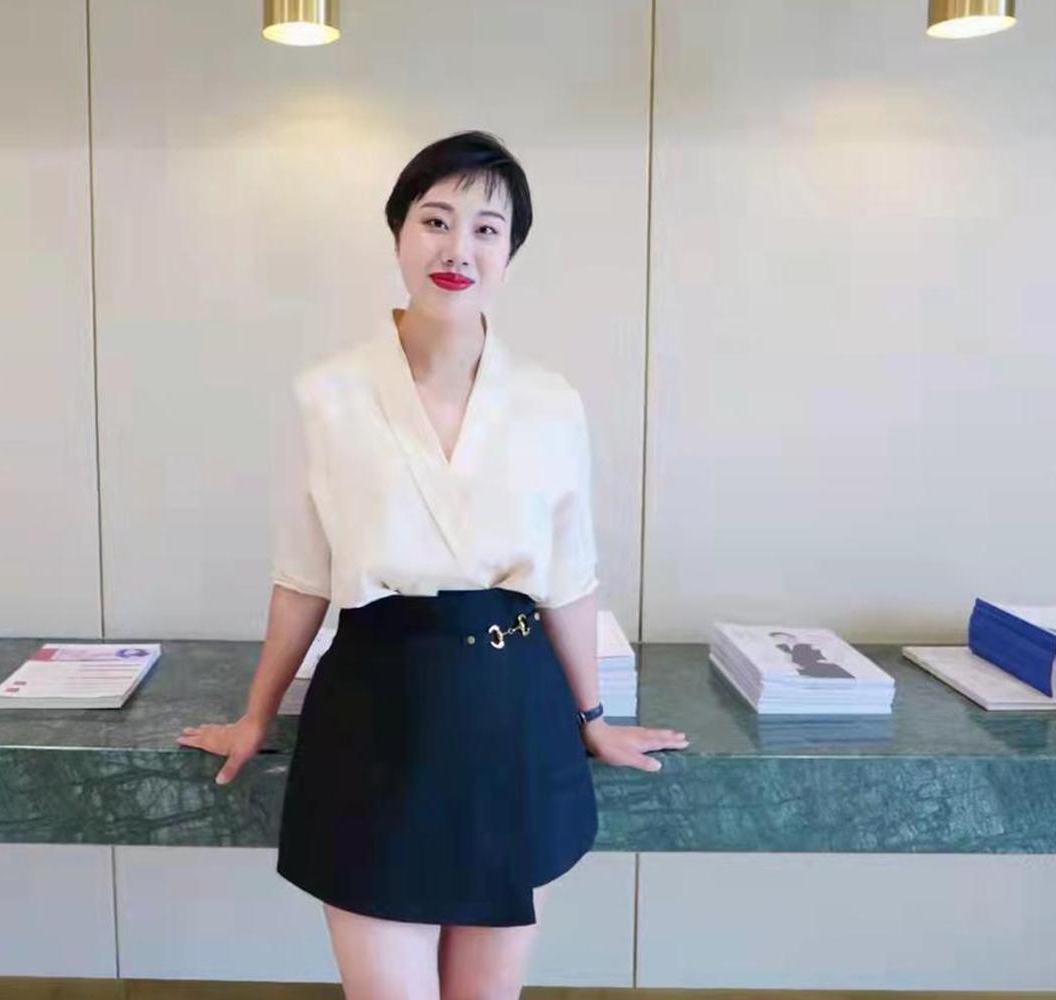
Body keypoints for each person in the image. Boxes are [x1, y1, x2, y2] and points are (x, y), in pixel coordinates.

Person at [177, 130, 689, 999]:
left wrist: (594, 718)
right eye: (436, 221)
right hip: (376, 715)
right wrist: (255, 716)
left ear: (510, 254)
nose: (459, 249)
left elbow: (569, 581)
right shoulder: (328, 394)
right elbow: (302, 578)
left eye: (487, 229)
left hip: (512, 716)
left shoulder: (549, 401)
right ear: (399, 234)